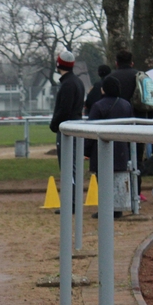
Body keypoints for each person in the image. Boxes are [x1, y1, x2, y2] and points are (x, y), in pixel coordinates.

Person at [85, 75, 133, 219]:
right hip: (122, 148)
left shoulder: (98, 106)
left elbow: (91, 131)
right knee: (118, 179)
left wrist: (86, 150)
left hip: (102, 149)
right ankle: (117, 208)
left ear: (103, 89)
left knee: (103, 181)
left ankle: (106, 209)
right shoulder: (126, 105)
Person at [108, 50, 150, 198]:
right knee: (137, 160)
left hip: (117, 124)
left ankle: (120, 194)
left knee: (119, 160)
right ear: (132, 62)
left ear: (116, 63)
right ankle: (136, 193)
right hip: (139, 123)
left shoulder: (111, 78)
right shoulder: (141, 77)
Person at [49, 49, 84, 209]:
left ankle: (71, 202)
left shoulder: (67, 84)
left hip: (67, 131)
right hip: (76, 127)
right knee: (73, 165)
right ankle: (73, 200)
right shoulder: (77, 82)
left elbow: (64, 109)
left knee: (68, 166)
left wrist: (54, 124)